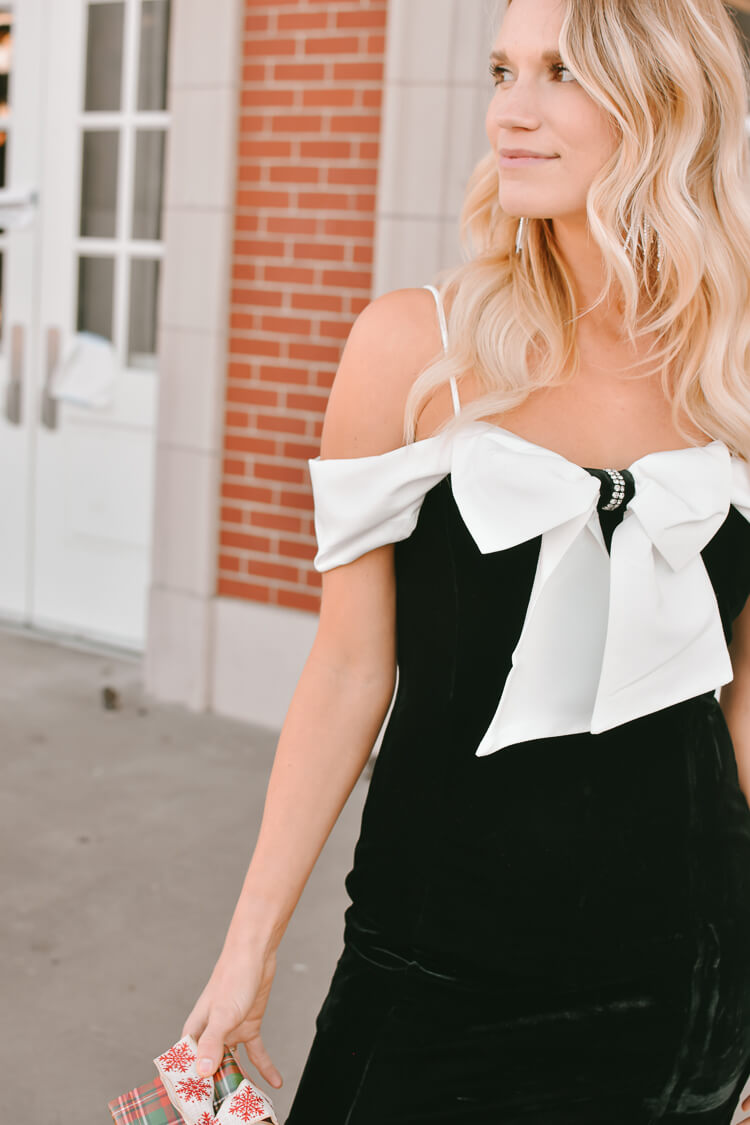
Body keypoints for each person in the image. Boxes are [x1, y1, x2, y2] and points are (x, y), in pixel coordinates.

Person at [182, 0, 750, 1120]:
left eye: (559, 74)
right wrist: (245, 952)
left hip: (686, 973)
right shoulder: (411, 347)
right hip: (433, 957)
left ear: (667, 103)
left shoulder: (736, 371)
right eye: (501, 71)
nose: (511, 113)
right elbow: (349, 670)